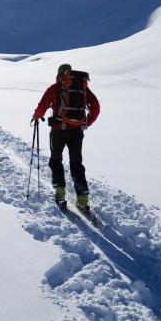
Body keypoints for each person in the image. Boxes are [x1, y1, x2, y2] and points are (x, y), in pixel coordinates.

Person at [31, 63, 100, 211]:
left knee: (56, 160)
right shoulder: (82, 88)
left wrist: (36, 117)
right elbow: (96, 107)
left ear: (59, 74)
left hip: (58, 131)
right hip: (77, 132)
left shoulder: (54, 88)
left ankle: (60, 191)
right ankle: (82, 199)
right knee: (76, 163)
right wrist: (86, 123)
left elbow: (42, 106)